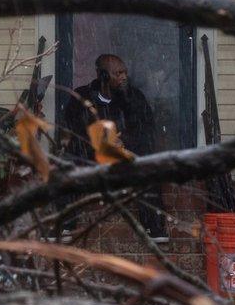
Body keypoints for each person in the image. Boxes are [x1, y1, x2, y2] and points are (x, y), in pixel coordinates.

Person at [56, 54, 169, 243]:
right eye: (118, 73)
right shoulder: (81, 98)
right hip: (91, 159)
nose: (124, 77)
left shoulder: (134, 98)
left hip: (125, 159)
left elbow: (147, 130)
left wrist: (125, 141)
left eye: (125, 72)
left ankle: (154, 227)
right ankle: (64, 226)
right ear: (103, 76)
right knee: (65, 166)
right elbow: (70, 131)